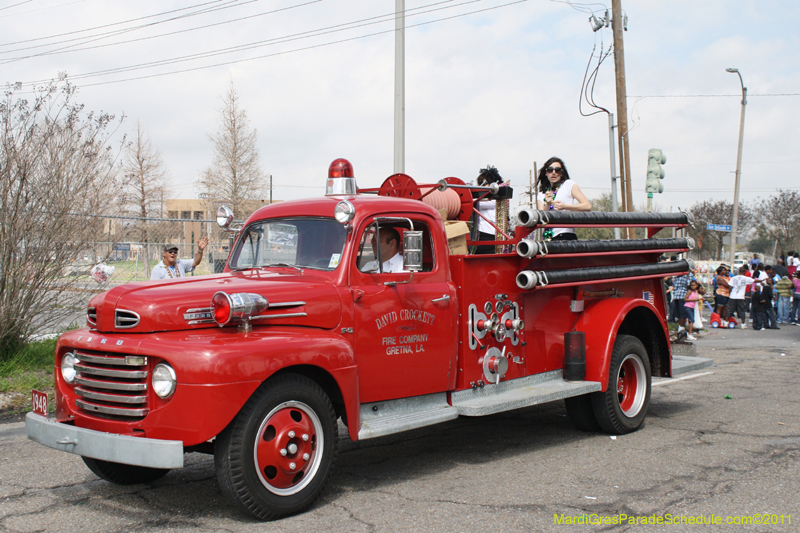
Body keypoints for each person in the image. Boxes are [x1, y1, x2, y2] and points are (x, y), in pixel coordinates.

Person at [536, 157, 591, 241]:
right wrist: (547, 204)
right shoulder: (541, 194)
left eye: (557, 170)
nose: (553, 173)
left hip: (566, 234)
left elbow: (587, 206)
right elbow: (542, 219)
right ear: (546, 173)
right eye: (550, 170)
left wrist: (565, 206)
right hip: (548, 237)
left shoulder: (568, 185)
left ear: (561, 173)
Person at [474, 166, 505, 254]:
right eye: (480, 184)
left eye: (485, 183)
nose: (482, 186)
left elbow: (473, 203)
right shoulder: (481, 200)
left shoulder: (496, 200)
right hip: (482, 235)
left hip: (489, 236)